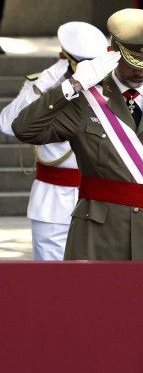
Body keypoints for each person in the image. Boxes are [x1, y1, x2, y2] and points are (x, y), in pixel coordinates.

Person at [12, 8, 143, 261]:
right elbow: (23, 128)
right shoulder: (85, 99)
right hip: (96, 237)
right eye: (132, 65)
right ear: (113, 54)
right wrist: (73, 85)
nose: (141, 73)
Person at [0, 22, 108, 260]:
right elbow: (7, 124)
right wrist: (44, 83)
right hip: (52, 201)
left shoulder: (109, 94)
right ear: (63, 58)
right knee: (52, 283)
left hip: (97, 201)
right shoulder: (43, 86)